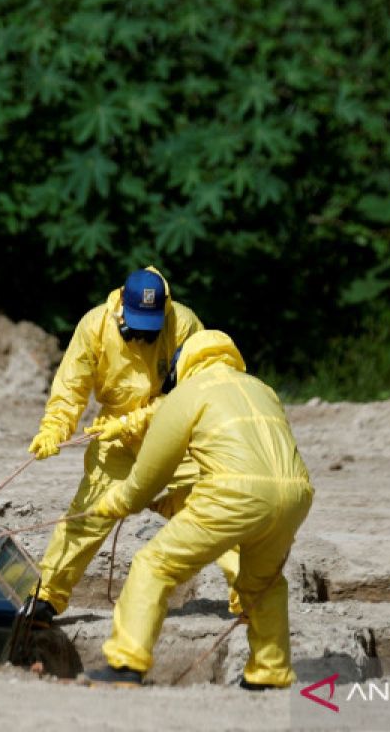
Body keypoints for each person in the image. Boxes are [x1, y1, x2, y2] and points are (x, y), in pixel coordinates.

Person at [83, 330, 314, 689]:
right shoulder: (260, 388)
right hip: (295, 495)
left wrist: (118, 502)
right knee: (263, 583)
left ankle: (125, 665)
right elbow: (258, 466)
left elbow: (150, 473)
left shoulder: (190, 393)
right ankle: (269, 672)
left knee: (153, 565)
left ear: (181, 366)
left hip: (236, 495)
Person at [24, 267, 240, 627]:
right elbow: (70, 388)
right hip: (116, 442)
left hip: (175, 436)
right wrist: (54, 428)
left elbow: (194, 391)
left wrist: (137, 420)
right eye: (136, 323)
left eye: (150, 326)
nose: (142, 334)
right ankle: (46, 597)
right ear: (121, 304)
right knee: (88, 517)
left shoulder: (184, 325)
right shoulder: (95, 326)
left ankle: (248, 596)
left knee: (213, 505)